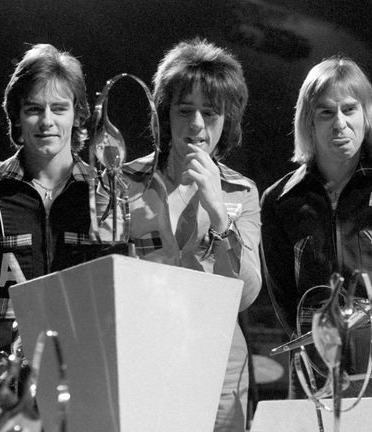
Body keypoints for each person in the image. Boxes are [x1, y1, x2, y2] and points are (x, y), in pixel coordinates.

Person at [97, 38, 260, 431]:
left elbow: (248, 292)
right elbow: (100, 278)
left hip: (221, 365)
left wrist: (219, 212)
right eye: (185, 110)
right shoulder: (122, 181)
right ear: (164, 114)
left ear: (229, 120)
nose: (198, 125)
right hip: (142, 359)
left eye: (211, 113)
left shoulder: (241, 192)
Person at [260, 56, 372, 397]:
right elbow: (283, 297)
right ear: (308, 122)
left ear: (367, 116)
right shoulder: (279, 200)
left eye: (349, 109)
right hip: (316, 368)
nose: (339, 123)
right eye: (326, 112)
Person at [0, 44, 93, 355]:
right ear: (16, 115)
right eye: (34, 109)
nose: (46, 121)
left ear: (78, 114)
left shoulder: (105, 190)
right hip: (9, 379)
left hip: (89, 368)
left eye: (59, 108)